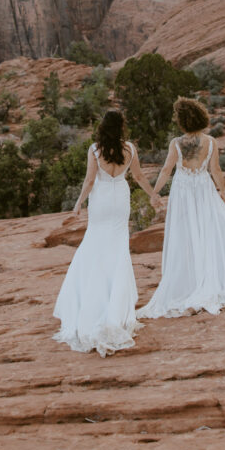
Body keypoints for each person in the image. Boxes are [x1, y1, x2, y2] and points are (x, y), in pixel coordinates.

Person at [139, 96, 225, 319]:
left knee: (186, 236)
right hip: (203, 189)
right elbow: (216, 170)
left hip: (183, 192)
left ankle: (191, 282)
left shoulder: (176, 144)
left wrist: (155, 193)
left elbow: (165, 170)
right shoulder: (211, 142)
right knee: (209, 232)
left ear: (181, 121)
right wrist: (223, 192)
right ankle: (209, 281)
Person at [53, 109, 155, 356]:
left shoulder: (95, 150)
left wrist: (78, 204)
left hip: (100, 201)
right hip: (120, 198)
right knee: (118, 248)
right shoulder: (129, 149)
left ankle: (92, 302)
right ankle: (116, 308)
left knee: (95, 244)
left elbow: (89, 182)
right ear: (121, 127)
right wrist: (153, 195)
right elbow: (139, 176)